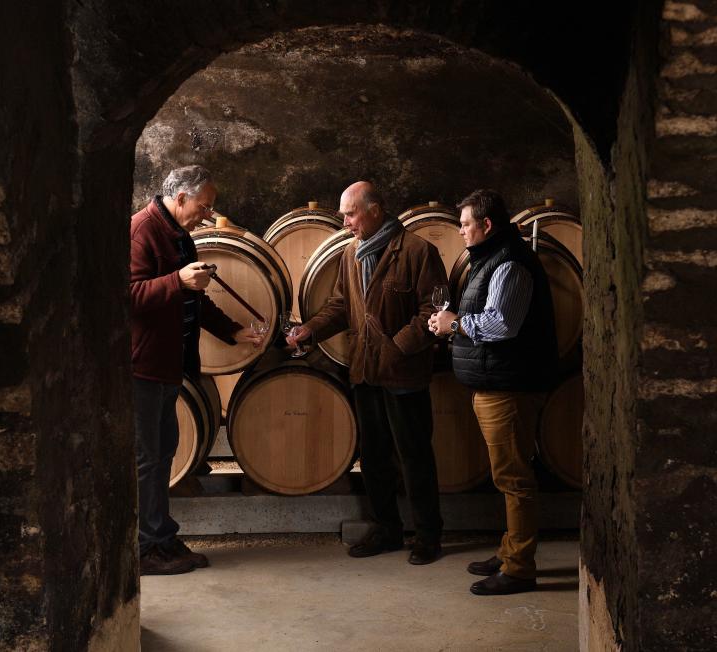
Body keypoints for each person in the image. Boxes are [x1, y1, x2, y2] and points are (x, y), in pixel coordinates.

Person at [287, 181, 447, 565]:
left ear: (375, 210)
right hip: (364, 370)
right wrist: (312, 329)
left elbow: (434, 310)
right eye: (344, 214)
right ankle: (387, 529)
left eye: (351, 213)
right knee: (374, 457)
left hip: (403, 372)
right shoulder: (350, 254)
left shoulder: (418, 251)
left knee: (414, 456)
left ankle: (428, 535)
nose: (345, 222)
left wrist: (397, 348)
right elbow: (342, 305)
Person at [130, 165, 262, 575]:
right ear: (180, 197)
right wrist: (176, 281)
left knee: (162, 452)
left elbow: (195, 299)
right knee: (148, 458)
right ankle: (146, 548)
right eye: (203, 206)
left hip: (169, 365)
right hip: (142, 366)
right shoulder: (141, 230)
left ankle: (160, 537)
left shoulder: (179, 235)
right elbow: (126, 295)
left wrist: (232, 331)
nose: (207, 215)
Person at [428, 189, 557, 595]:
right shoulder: (493, 259)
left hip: (509, 387)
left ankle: (519, 568)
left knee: (515, 478)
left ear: (486, 225)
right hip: (495, 384)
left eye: (465, 224)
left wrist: (455, 324)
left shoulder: (510, 263)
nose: (461, 231)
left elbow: (502, 324)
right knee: (506, 476)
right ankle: (509, 551)